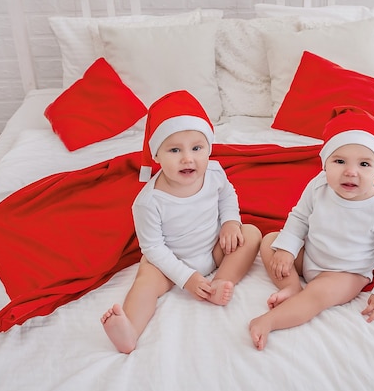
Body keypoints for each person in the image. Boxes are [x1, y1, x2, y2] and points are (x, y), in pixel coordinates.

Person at [102, 90, 261, 354]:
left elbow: (227, 196)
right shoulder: (148, 202)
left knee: (252, 234)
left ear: (208, 148)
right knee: (146, 280)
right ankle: (129, 329)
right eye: (175, 149)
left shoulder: (213, 172)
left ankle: (222, 280)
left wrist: (230, 222)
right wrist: (186, 278)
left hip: (213, 248)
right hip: (171, 262)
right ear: (157, 155)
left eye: (197, 148)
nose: (188, 158)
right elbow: (153, 248)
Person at [249, 106, 374, 351]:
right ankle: (291, 287)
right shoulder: (318, 186)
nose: (351, 171)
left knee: (318, 294)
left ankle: (269, 321)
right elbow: (299, 218)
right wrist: (288, 250)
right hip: (311, 256)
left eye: (364, 164)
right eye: (339, 161)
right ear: (324, 164)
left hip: (346, 273)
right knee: (271, 240)